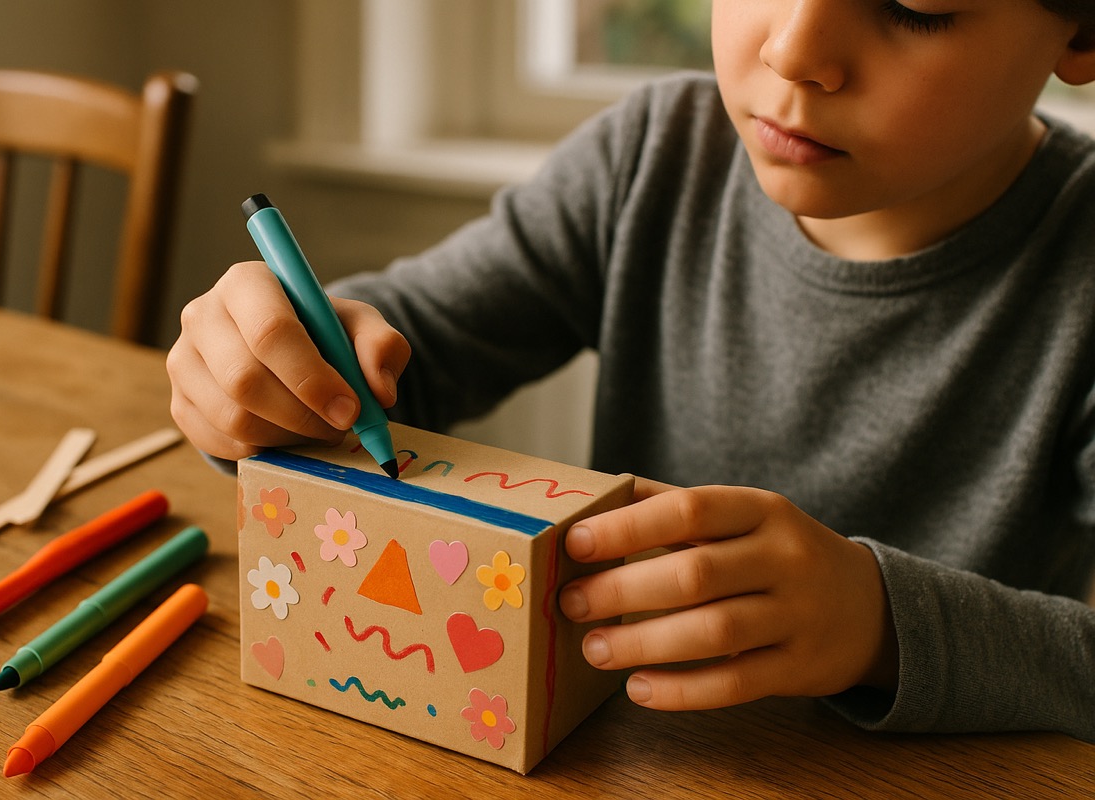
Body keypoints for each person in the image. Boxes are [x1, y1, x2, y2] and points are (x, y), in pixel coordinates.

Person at [167, 0, 1095, 742]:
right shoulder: (654, 155)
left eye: (915, 6)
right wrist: (264, 374)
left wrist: (880, 626)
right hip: (629, 757)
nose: (794, 47)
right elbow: (412, 348)